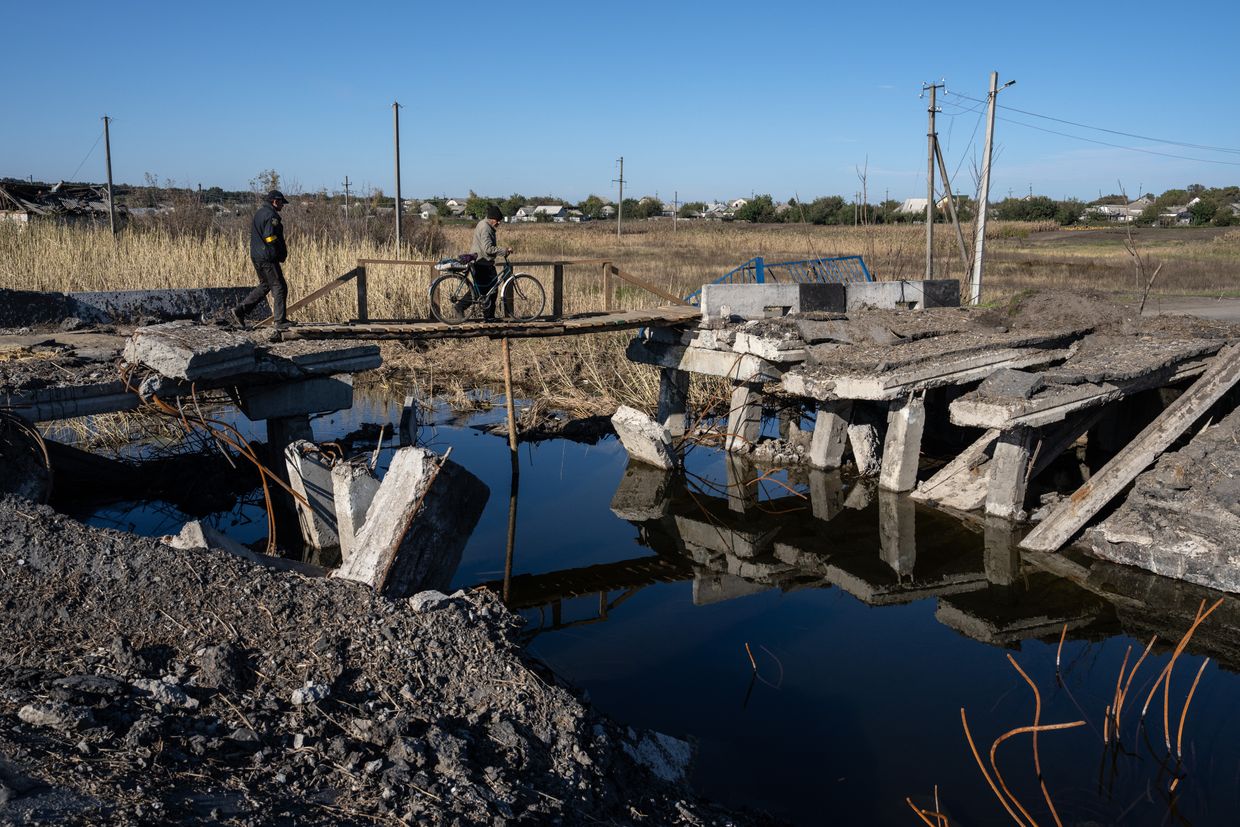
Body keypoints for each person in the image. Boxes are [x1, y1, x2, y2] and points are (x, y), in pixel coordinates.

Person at [231, 190, 292, 330]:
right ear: (275, 201)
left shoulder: (260, 213)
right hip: (267, 257)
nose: (283, 206)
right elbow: (269, 236)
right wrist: (276, 250)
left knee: (265, 285)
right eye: (282, 203)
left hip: (256, 255)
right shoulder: (271, 216)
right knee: (279, 286)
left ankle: (240, 310)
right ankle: (280, 321)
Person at [469, 204, 512, 320]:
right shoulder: (486, 228)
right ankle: (460, 307)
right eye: (498, 221)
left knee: (490, 291)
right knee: (484, 291)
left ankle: (489, 316)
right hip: (482, 263)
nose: (499, 223)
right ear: (492, 219)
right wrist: (504, 250)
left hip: (483, 262)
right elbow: (487, 248)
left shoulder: (484, 225)